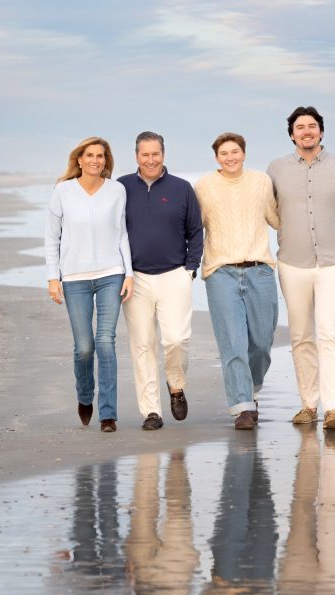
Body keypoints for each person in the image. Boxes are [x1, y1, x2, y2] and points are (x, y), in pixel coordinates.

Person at [266, 106, 335, 431]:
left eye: (312, 126)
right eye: (300, 127)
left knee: (329, 335)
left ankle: (333, 409)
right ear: (291, 134)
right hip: (292, 263)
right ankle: (308, 404)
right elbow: (264, 211)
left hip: (333, 263)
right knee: (301, 336)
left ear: (321, 132)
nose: (306, 131)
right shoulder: (276, 169)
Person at [45, 136, 134, 433]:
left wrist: (129, 273)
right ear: (79, 160)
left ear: (106, 161)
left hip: (112, 273)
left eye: (101, 156)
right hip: (74, 278)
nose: (96, 160)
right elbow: (52, 237)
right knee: (84, 347)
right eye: (90, 155)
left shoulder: (117, 191)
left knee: (106, 342)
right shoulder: (63, 191)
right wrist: (52, 277)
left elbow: (122, 234)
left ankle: (108, 414)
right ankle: (85, 396)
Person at [118, 132, 205, 431]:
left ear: (164, 154)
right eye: (145, 154)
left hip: (174, 274)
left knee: (176, 339)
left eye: (156, 154)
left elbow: (195, 231)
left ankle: (176, 385)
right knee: (142, 345)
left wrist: (190, 269)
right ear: (136, 156)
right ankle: (151, 411)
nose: (151, 160)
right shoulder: (122, 187)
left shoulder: (182, 188)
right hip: (136, 278)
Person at [195, 133, 281, 430]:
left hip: (260, 269)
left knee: (261, 341)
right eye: (223, 153)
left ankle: (251, 387)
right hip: (221, 272)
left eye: (235, 152)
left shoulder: (261, 181)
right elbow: (194, 227)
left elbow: (278, 218)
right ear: (216, 157)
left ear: (244, 154)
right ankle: (243, 406)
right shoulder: (204, 187)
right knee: (233, 341)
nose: (230, 157)